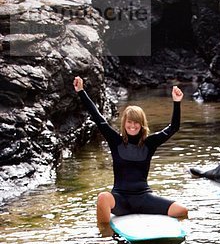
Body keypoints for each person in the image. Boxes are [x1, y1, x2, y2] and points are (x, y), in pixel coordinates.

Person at [73, 76, 188, 225]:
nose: (133, 126)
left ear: (142, 124)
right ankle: (104, 236)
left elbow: (174, 128)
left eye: (136, 123)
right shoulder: (115, 141)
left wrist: (177, 102)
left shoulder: (150, 143)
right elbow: (97, 117)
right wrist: (81, 91)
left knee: (181, 210)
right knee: (103, 197)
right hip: (121, 199)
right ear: (124, 123)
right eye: (130, 122)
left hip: (144, 198)